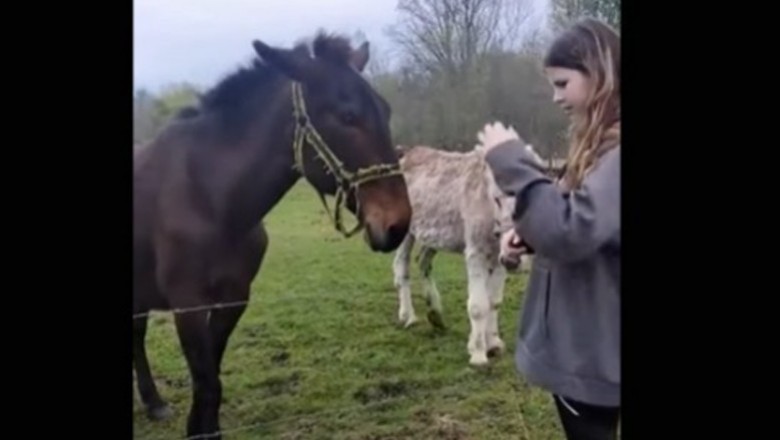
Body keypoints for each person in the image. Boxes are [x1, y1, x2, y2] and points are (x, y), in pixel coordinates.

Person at [476, 17, 621, 440]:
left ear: (599, 73)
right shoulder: (601, 144)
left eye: (562, 83)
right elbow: (591, 219)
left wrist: (510, 160)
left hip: (593, 352)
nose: (555, 97)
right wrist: (532, 233)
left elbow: (573, 229)